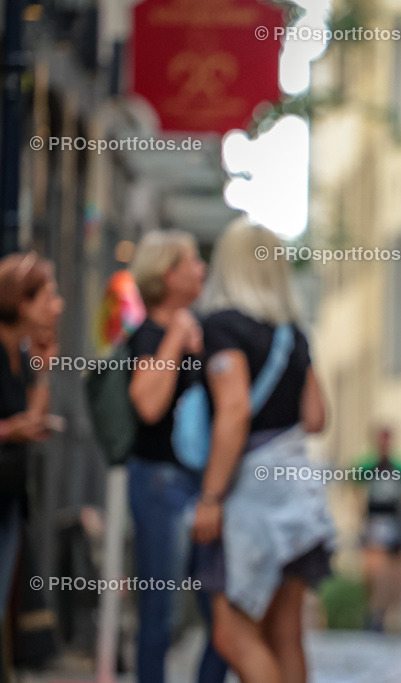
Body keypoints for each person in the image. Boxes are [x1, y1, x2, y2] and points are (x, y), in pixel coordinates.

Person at [192, 219, 332, 683]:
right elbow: (316, 418)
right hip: (300, 497)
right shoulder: (294, 335)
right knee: (285, 632)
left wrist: (210, 497)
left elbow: (233, 414)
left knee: (232, 635)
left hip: (251, 499)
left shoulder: (220, 328)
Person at [126, 231, 227, 683]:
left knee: (223, 611)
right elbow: (147, 405)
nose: (202, 269)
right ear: (168, 275)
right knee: (160, 611)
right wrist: (175, 339)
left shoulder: (201, 332)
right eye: (192, 262)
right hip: (158, 481)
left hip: (198, 485)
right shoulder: (149, 335)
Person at [0, 252, 63, 682]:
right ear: (22, 301)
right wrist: (9, 431)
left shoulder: (19, 353)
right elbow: (14, 426)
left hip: (9, 496)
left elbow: (32, 419)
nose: (57, 305)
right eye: (48, 296)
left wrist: (43, 370)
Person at [355, 427, 401, 632]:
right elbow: (352, 484)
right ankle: (375, 611)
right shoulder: (367, 465)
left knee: (393, 573)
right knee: (374, 570)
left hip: (394, 524)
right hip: (374, 523)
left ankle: (385, 615)